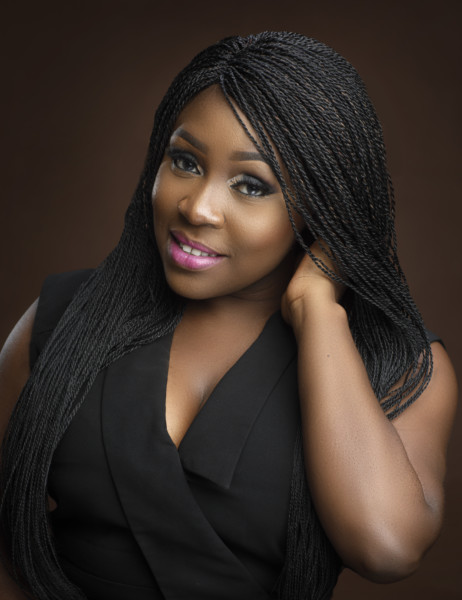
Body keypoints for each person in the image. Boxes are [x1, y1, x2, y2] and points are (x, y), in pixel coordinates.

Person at [0, 31, 457, 600]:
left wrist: (315, 309)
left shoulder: (398, 367)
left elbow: (386, 548)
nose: (197, 207)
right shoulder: (62, 318)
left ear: (322, 207)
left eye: (251, 185)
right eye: (185, 161)